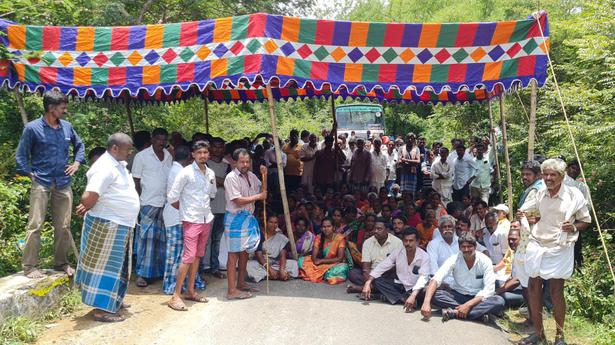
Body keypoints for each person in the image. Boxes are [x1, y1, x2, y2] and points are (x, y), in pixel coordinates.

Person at [518, 158, 591, 345]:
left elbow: (586, 221)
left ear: (562, 176)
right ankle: (539, 334)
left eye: (553, 174)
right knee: (533, 287)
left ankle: (560, 336)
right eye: (545, 174)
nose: (548, 178)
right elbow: (534, 215)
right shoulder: (538, 192)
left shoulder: (574, 195)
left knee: (556, 290)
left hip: (560, 246)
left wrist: (573, 227)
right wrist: (525, 216)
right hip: (536, 242)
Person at [16, 90, 85, 279]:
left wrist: (77, 163)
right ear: (51, 108)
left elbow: (80, 146)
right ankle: (30, 267)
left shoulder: (67, 127)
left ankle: (61, 263)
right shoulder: (32, 128)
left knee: (64, 226)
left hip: (63, 183)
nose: (65, 110)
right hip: (41, 182)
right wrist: (30, 173)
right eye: (63, 107)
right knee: (35, 224)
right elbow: (21, 155)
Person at [74, 133, 139, 322]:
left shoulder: (118, 164)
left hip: (119, 223)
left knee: (117, 267)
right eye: (128, 149)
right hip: (107, 224)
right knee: (105, 268)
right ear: (115, 149)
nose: (130, 152)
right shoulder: (104, 167)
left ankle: (113, 301)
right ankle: (101, 310)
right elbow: (89, 197)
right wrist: (86, 203)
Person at [165, 141, 216, 311]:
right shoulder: (185, 173)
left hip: (205, 219)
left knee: (197, 256)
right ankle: (175, 296)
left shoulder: (210, 173)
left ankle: (190, 291)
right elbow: (172, 197)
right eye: (199, 152)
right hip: (191, 220)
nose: (203, 155)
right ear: (193, 155)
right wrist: (185, 211)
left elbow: (212, 194)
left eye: (205, 152)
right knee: (187, 257)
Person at [421, 232, 505, 323]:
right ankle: (477, 314)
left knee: (499, 301)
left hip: (477, 298)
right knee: (432, 294)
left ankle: (455, 313)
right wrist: (426, 303)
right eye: (463, 247)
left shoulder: (485, 261)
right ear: (459, 248)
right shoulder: (454, 259)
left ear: (475, 246)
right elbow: (436, 278)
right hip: (458, 295)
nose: (466, 249)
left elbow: (489, 290)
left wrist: (468, 305)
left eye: (469, 246)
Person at [224, 148, 268, 300]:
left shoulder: (252, 175)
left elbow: (264, 192)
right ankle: (231, 290)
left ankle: (241, 283)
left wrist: (265, 175)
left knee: (244, 253)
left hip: (247, 218)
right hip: (235, 219)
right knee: (233, 254)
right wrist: (258, 196)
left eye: (247, 161)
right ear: (235, 162)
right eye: (242, 162)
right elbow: (237, 200)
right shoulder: (231, 178)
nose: (245, 164)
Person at [132, 128, 172, 287]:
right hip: (148, 202)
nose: (161, 142)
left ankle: (158, 272)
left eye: (164, 139)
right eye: (158, 139)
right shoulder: (141, 156)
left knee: (162, 240)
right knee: (146, 239)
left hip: (165, 202)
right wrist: (141, 198)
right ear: (152, 139)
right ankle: (142, 274)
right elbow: (136, 181)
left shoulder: (168, 156)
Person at [162, 145, 205, 295]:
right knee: (176, 255)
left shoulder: (175, 170)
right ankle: (172, 286)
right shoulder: (180, 172)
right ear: (189, 158)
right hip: (176, 217)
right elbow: (175, 198)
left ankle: (182, 284)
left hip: (178, 216)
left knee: (181, 254)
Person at [362, 227, 430, 310]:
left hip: (416, 288)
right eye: (405, 240)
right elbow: (382, 266)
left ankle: (393, 297)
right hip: (400, 285)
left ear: (417, 242)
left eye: (411, 241)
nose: (408, 243)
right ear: (402, 241)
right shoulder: (398, 252)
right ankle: (403, 299)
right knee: (378, 280)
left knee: (426, 290)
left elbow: (423, 278)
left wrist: (413, 295)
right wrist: (368, 282)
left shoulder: (424, 256)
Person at [346, 220, 403, 293]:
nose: (376, 231)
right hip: (371, 273)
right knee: (353, 273)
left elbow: (397, 265)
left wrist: (379, 274)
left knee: (395, 278)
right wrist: (368, 281)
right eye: (374, 229)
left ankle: (362, 289)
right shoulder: (368, 242)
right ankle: (374, 288)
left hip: (387, 273)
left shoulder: (397, 242)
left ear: (387, 230)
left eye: (379, 229)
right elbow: (366, 268)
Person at [204, 137, 230, 279]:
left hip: (222, 207)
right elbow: (212, 182)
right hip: (207, 208)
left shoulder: (227, 165)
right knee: (205, 240)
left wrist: (217, 181)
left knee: (216, 240)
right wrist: (222, 181)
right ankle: (201, 267)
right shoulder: (205, 164)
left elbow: (228, 182)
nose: (218, 150)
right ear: (210, 148)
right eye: (215, 146)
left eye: (221, 147)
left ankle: (214, 267)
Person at [247, 215, 298, 282]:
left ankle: (273, 274)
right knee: (249, 265)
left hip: (276, 262)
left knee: (293, 264)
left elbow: (283, 255)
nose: (273, 225)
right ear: (266, 222)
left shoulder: (281, 237)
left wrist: (281, 269)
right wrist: (269, 269)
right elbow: (259, 255)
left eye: (275, 222)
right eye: (271, 222)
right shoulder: (260, 235)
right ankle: (276, 274)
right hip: (262, 263)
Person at [299, 218, 351, 284]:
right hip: (320, 263)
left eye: (329, 226)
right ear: (321, 228)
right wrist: (317, 261)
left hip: (334, 264)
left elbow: (340, 258)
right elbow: (314, 257)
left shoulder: (340, 239)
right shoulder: (318, 237)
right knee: (301, 260)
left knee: (343, 268)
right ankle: (325, 274)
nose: (326, 229)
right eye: (324, 227)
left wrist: (322, 261)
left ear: (333, 227)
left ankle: (322, 274)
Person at [494, 222, 524, 308]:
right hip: (514, 288)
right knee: (494, 283)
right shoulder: (515, 253)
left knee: (502, 296)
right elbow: (511, 277)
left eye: (514, 239)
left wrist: (498, 291)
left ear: (521, 239)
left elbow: (517, 281)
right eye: (509, 239)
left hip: (524, 293)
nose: (511, 242)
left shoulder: (524, 255)